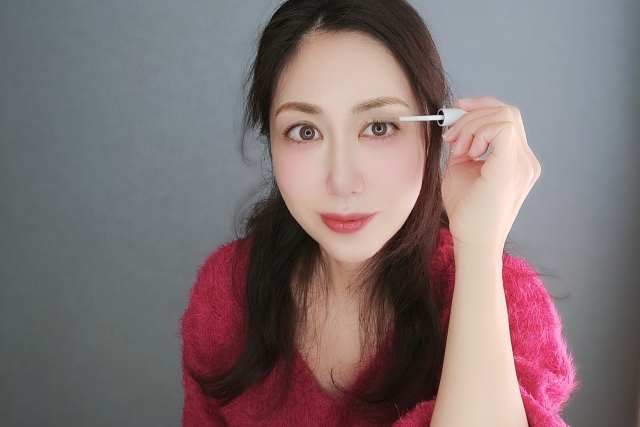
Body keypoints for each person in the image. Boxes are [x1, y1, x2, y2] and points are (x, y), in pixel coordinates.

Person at [181, 0, 577, 425]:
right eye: (305, 131)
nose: (342, 182)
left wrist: (479, 248)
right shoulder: (228, 290)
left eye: (379, 127)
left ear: (433, 133)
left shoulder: (506, 300)